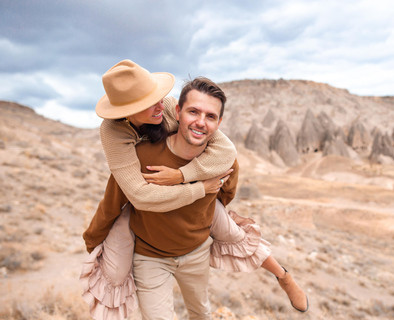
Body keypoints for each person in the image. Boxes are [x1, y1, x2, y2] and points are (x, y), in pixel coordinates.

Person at [81, 61, 308, 319]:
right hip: (150, 252)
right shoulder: (122, 140)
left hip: (195, 247)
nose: (159, 106)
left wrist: (185, 179)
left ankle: (283, 276)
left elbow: (227, 166)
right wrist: (93, 237)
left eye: (210, 116)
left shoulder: (172, 113)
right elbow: (128, 196)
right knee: (115, 269)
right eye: (148, 104)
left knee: (234, 241)